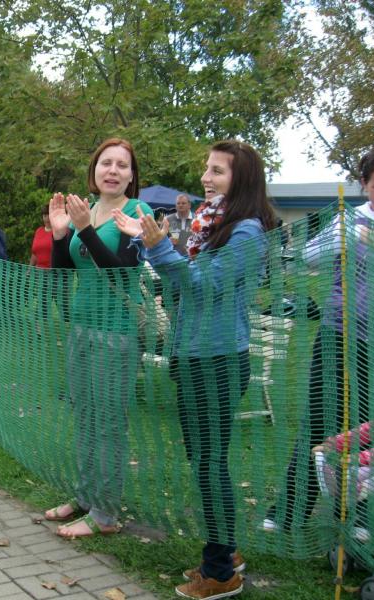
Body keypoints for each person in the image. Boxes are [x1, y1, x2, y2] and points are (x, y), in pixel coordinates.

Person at [115, 139, 276, 599]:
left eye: (217, 171)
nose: (205, 178)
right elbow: (181, 282)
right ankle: (227, 552)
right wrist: (149, 242)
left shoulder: (246, 233)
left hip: (217, 361)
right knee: (206, 460)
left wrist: (160, 247)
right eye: (207, 169)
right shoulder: (214, 226)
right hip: (194, 356)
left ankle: (220, 573)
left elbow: (203, 285)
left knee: (210, 464)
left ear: (242, 180)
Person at [43, 138, 154, 539]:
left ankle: (105, 513)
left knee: (108, 422)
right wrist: (61, 235)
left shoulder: (138, 213)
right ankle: (86, 496)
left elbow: (121, 271)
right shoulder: (85, 211)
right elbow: (64, 272)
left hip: (115, 333)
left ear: (132, 175)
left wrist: (86, 230)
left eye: (122, 165)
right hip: (82, 328)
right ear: (94, 170)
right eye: (106, 163)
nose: (113, 171)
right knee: (86, 417)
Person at [263, 147, 374, 535]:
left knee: (365, 430)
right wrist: (342, 239)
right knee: (318, 421)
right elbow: (308, 257)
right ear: (364, 184)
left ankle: (357, 518)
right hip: (337, 336)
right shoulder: (350, 220)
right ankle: (290, 510)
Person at [30, 203, 53, 268]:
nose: (47, 219)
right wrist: (29, 269)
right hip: (38, 272)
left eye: (49, 215)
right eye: (45, 215)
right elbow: (34, 253)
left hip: (53, 272)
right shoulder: (38, 231)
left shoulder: (59, 232)